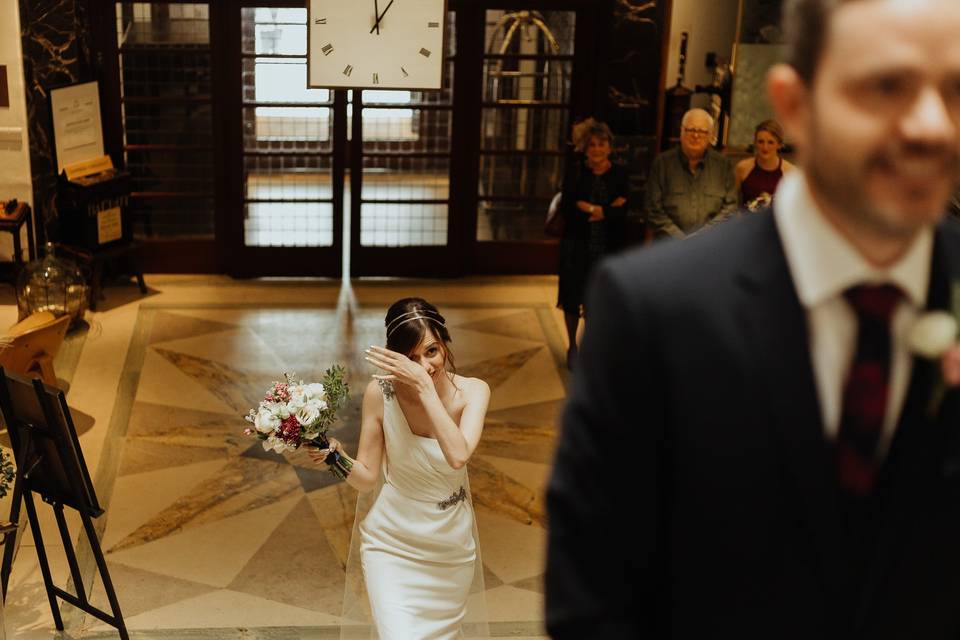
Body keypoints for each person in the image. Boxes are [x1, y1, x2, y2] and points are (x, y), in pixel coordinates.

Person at [546, 0, 960, 638]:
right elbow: (592, 601)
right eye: (887, 85)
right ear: (795, 104)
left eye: (957, 91)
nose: (932, 127)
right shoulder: (651, 310)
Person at [309, 298, 490, 639]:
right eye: (410, 358)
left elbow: (458, 455)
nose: (423, 366)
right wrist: (334, 457)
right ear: (394, 358)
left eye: (432, 351)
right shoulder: (381, 393)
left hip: (449, 550)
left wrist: (424, 389)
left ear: (445, 342)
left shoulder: (474, 391)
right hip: (391, 544)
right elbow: (366, 478)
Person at [555, 118, 629, 370]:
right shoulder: (576, 173)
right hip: (577, 246)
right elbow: (568, 208)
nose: (597, 149)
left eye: (602, 144)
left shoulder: (620, 174)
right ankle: (572, 346)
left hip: (609, 248)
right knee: (573, 297)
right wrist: (607, 209)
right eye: (592, 145)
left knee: (599, 300)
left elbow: (625, 211)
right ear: (584, 149)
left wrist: (591, 208)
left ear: (610, 147)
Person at [643, 108, 738, 238]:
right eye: (691, 130)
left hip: (711, 246)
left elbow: (731, 208)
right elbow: (652, 211)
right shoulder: (661, 164)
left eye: (702, 131)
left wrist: (701, 238)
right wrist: (681, 240)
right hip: (669, 248)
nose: (696, 135)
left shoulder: (724, 166)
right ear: (681, 132)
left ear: (710, 136)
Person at [735, 118, 796, 210]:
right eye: (761, 142)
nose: (765, 147)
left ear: (779, 145)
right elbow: (730, 202)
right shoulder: (742, 168)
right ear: (755, 143)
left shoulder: (790, 172)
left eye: (770, 142)